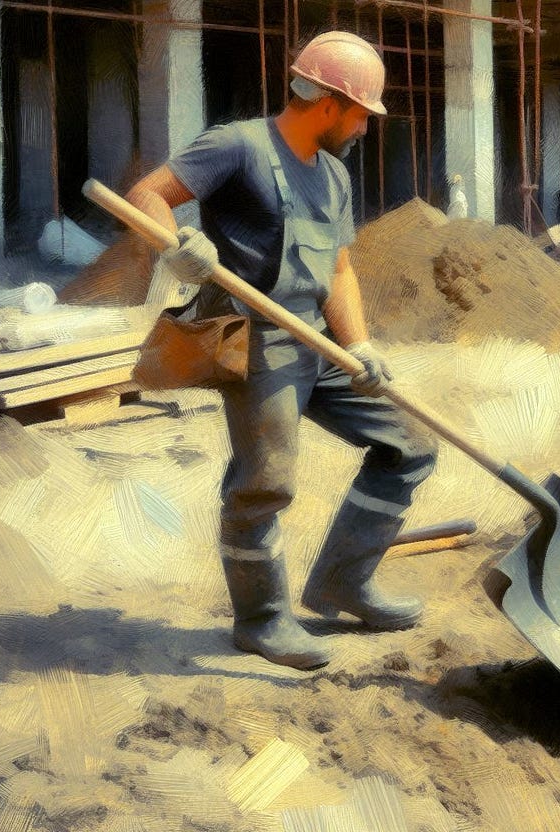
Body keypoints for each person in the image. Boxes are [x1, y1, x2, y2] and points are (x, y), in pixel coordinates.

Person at [126, 31, 437, 671]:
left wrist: (359, 344)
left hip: (318, 339)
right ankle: (262, 619)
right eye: (361, 115)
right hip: (258, 339)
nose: (363, 129)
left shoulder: (334, 176)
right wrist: (178, 243)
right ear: (328, 102)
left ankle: (344, 583)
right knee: (265, 483)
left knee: (411, 445)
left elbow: (340, 269)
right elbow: (146, 195)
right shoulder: (237, 145)